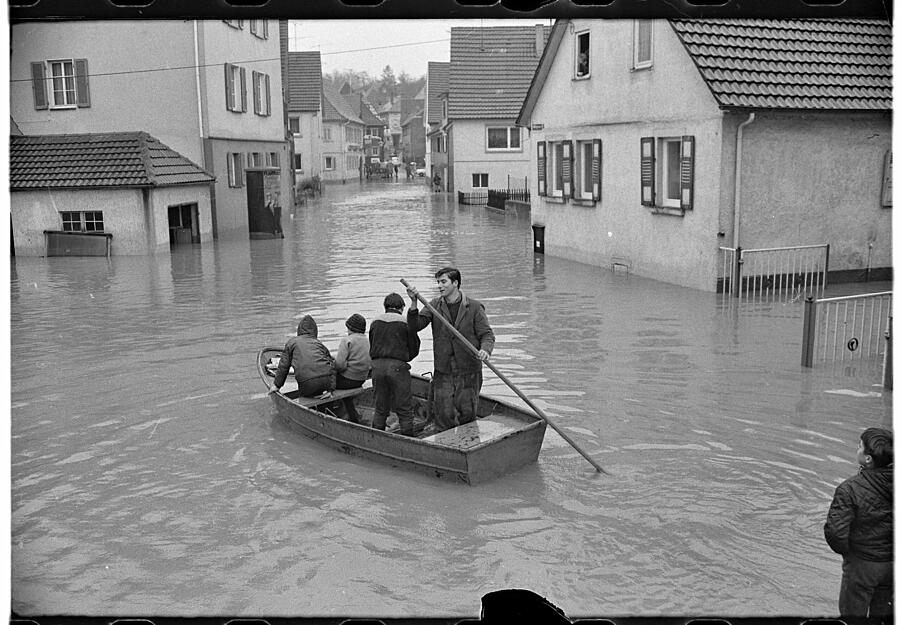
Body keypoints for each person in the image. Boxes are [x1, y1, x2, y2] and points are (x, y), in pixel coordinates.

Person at [407, 267, 494, 434]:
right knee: (443, 414)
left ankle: (468, 445)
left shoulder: (474, 307)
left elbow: (487, 335)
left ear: (455, 283)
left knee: (467, 413)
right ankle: (445, 450)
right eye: (438, 282)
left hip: (469, 370)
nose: (439, 285)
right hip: (444, 369)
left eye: (443, 281)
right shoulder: (434, 306)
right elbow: (415, 326)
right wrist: (413, 303)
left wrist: (485, 350)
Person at [824, 427, 893, 621]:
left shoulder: (849, 489)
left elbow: (836, 533)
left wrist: (851, 554)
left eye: (859, 446)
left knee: (852, 616)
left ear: (868, 459)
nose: (857, 449)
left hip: (862, 565)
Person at [368, 293, 420, 436]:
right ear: (402, 307)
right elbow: (415, 347)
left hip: (377, 367)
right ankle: (408, 439)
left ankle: (376, 437)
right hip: (398, 368)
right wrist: (405, 358)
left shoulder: (375, 322)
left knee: (380, 408)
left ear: (385, 307)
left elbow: (371, 346)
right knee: (404, 409)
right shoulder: (405, 323)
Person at [271, 315, 336, 398]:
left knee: (307, 394)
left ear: (299, 330)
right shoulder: (319, 344)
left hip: (307, 383)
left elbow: (283, 366)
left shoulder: (291, 343)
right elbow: (332, 365)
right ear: (315, 331)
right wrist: (331, 389)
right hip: (327, 381)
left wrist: (277, 385)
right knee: (321, 394)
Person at [334, 313, 371, 423]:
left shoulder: (347, 340)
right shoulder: (368, 341)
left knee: (325, 383)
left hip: (347, 380)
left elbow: (340, 365)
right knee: (346, 394)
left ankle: (326, 410)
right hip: (361, 379)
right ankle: (352, 415)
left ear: (351, 328)